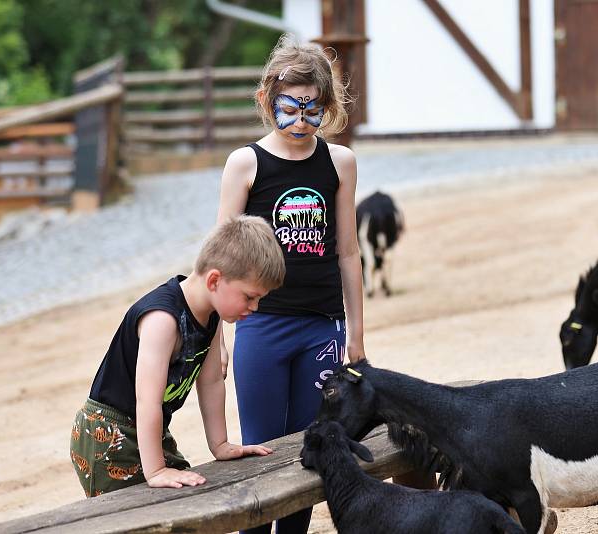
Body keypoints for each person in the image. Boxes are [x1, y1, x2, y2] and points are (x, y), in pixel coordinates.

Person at [216, 35, 367, 534]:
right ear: (267, 100)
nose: (301, 122)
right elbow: (219, 258)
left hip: (321, 327)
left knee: (310, 446)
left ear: (328, 106)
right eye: (289, 110)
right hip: (262, 325)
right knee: (259, 446)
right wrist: (217, 336)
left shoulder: (339, 162)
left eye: (312, 110)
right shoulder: (246, 164)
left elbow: (348, 251)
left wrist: (356, 332)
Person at [69, 215, 285, 497]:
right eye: (249, 297)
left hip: (150, 428)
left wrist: (219, 444)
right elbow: (147, 401)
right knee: (137, 516)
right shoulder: (163, 320)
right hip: (107, 432)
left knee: (190, 493)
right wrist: (156, 470)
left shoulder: (211, 315)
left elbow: (210, 382)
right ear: (215, 280)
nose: (254, 307)